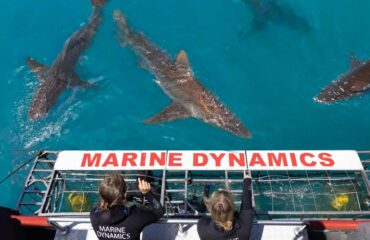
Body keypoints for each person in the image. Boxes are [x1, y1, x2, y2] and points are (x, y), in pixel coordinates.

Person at [90, 174, 164, 240]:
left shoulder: (94, 216)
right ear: (125, 194)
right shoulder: (135, 217)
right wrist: (147, 194)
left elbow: (102, 206)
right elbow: (159, 211)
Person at [197, 171, 253, 240]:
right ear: (232, 207)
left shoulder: (203, 228)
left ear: (211, 209)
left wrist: (247, 181)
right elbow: (246, 205)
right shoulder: (244, 227)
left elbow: (247, 205)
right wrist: (247, 180)